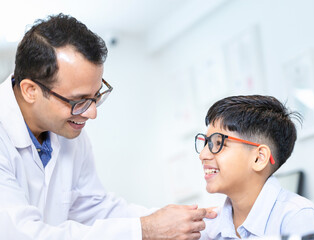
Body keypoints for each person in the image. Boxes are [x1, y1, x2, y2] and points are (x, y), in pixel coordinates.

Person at [0, 13, 216, 240]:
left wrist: (186, 223)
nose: (91, 113)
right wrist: (146, 230)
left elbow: (96, 209)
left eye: (96, 96)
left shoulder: (67, 131)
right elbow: (20, 234)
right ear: (30, 90)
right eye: (78, 101)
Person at [194, 95, 314, 239]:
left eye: (218, 143)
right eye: (206, 143)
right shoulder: (206, 228)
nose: (203, 155)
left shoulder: (299, 218)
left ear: (259, 158)